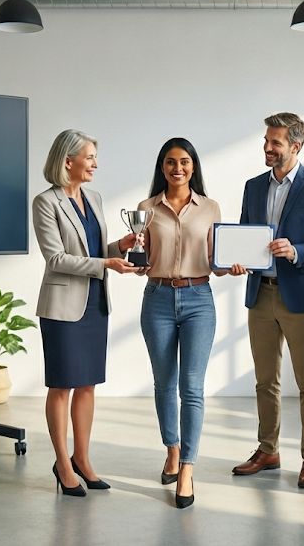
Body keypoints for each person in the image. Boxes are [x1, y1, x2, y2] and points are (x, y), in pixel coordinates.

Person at [230, 112, 304, 489]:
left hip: (300, 295)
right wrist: (236, 259)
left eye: (275, 142)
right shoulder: (253, 187)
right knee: (265, 381)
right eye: (266, 140)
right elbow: (244, 233)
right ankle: (268, 449)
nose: (268, 147)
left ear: (296, 146)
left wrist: (295, 251)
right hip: (261, 292)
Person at [32, 129, 139, 497]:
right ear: (68, 162)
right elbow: (57, 258)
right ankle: (63, 464)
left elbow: (92, 248)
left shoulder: (93, 197)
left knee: (88, 384)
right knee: (62, 385)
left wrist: (118, 247)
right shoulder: (45, 202)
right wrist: (106, 262)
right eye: (89, 157)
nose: (95, 163)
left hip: (94, 302)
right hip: (62, 306)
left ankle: (83, 458)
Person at [136, 138, 223, 509]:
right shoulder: (145, 208)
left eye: (185, 162)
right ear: (162, 167)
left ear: (193, 166)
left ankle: (187, 467)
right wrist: (133, 254)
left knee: (192, 387)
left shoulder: (210, 208)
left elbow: (216, 260)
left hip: (198, 299)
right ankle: (171, 450)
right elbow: (141, 260)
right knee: (163, 383)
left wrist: (232, 264)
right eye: (171, 162)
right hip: (156, 298)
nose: (178, 168)